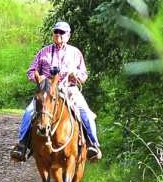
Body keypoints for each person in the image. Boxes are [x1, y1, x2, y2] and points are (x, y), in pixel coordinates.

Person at [10, 21, 101, 162]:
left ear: (68, 35)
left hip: (69, 90)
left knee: (85, 113)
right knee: (29, 112)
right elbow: (30, 71)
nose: (58, 35)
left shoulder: (75, 53)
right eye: (56, 32)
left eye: (62, 32)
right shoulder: (44, 52)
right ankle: (22, 145)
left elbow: (84, 75)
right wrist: (40, 79)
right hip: (47, 91)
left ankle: (93, 145)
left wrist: (75, 75)